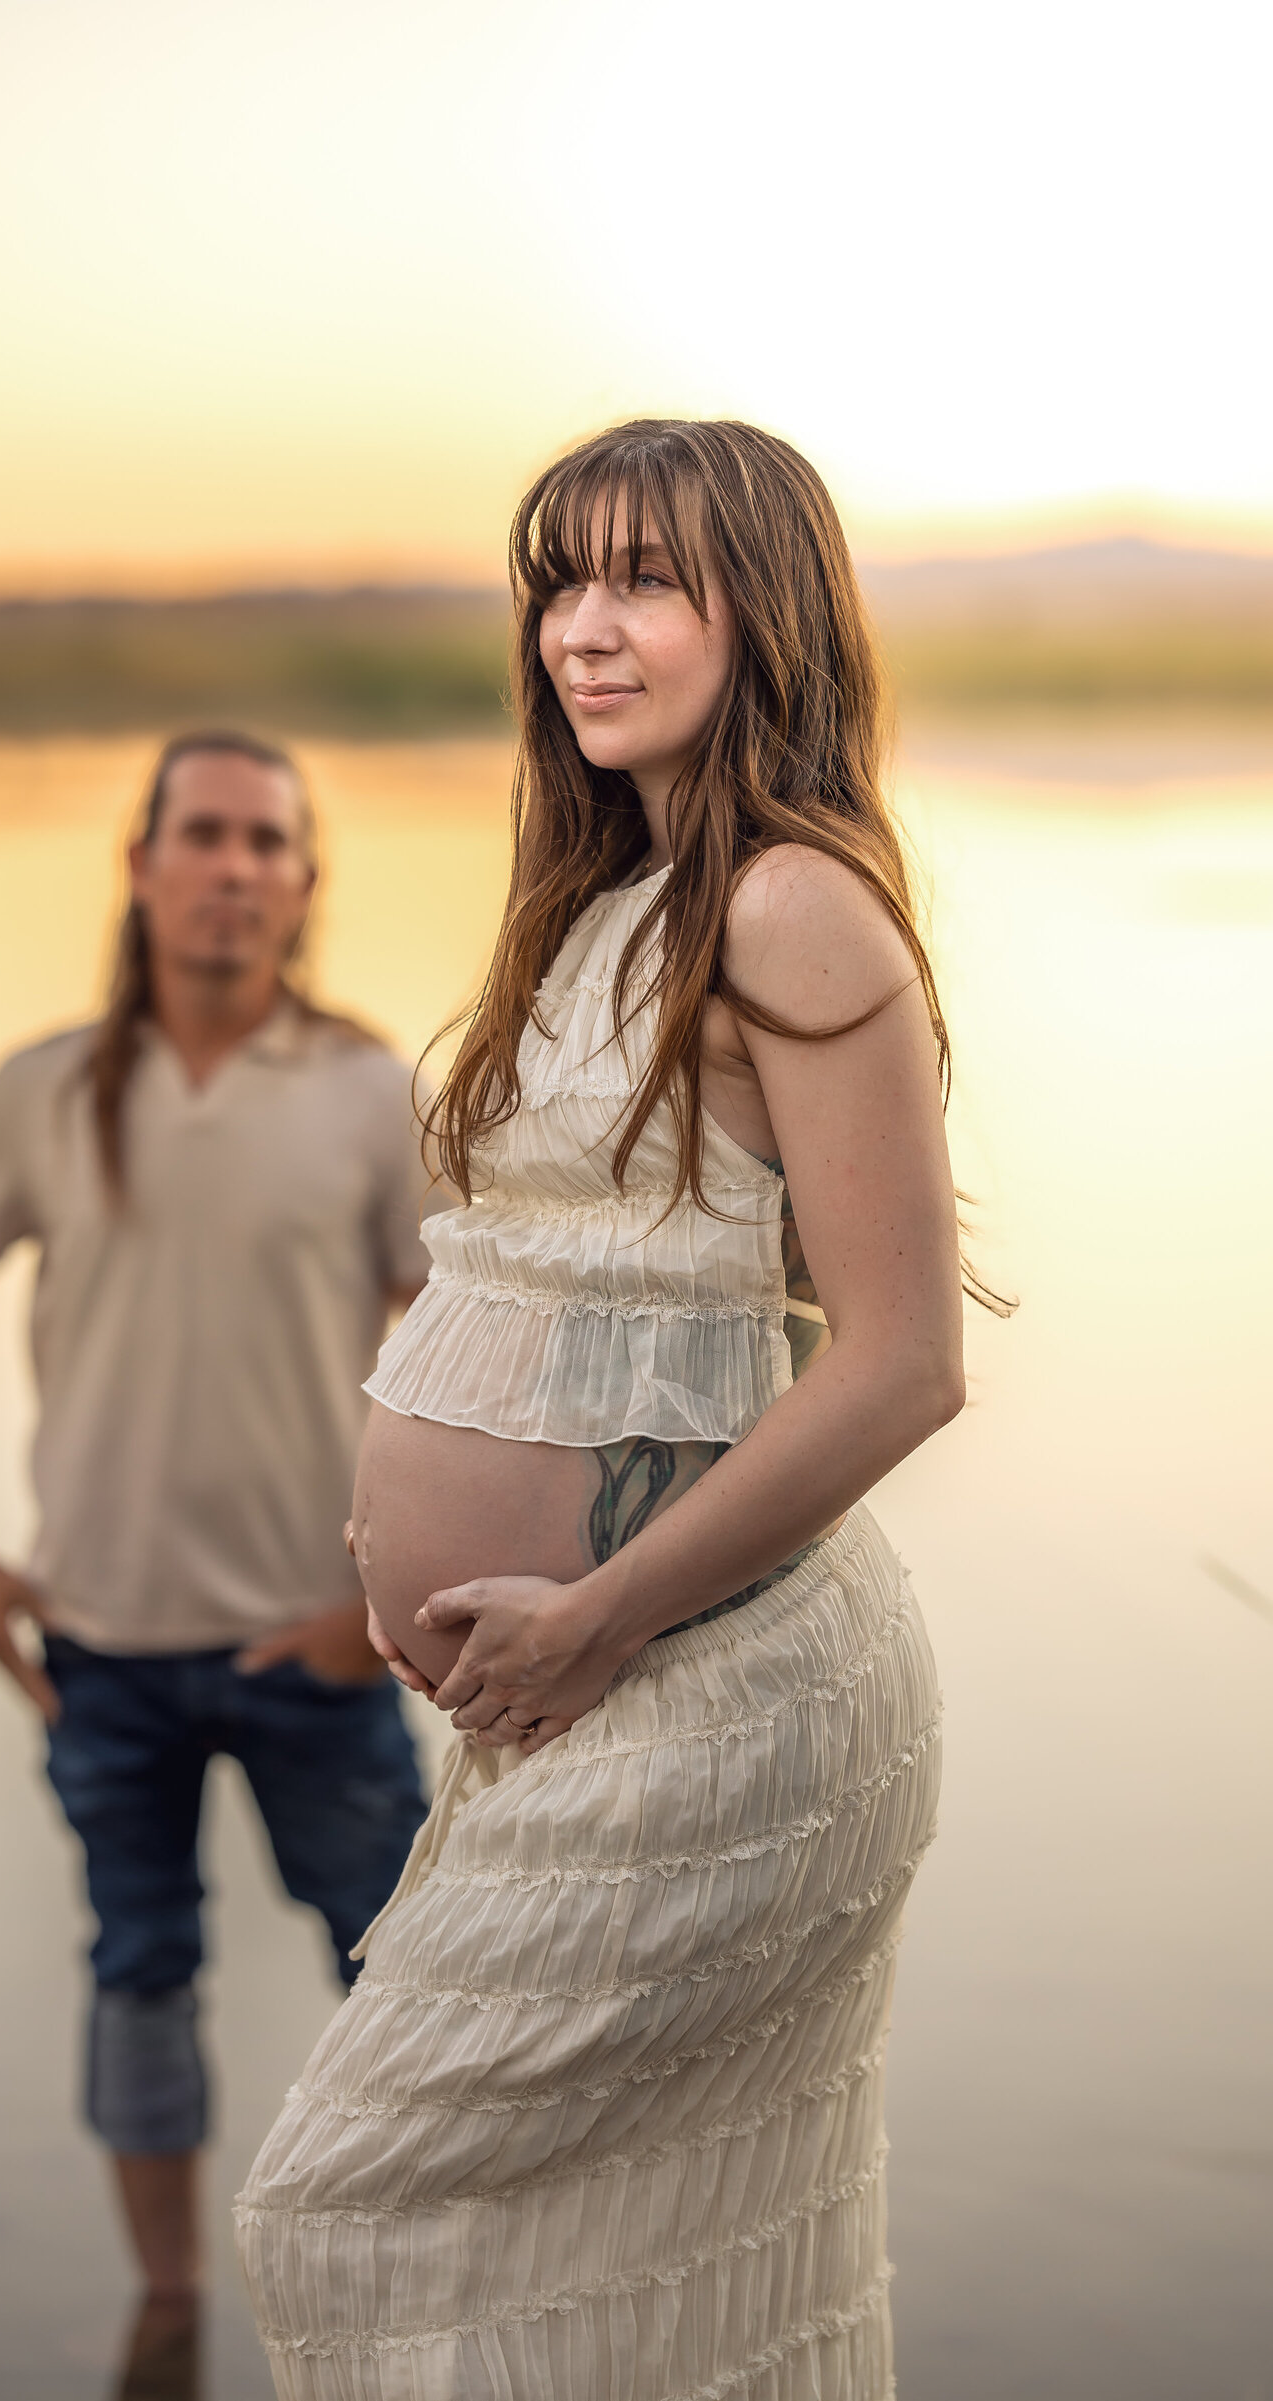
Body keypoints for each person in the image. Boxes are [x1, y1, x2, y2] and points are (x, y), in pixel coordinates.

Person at [237, 421, 995, 2398]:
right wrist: (415, 1480)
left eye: (645, 578)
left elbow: (903, 1358)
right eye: (558, 581)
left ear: (769, 614)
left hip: (710, 1681)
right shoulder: (603, 905)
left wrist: (589, 1606)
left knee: (349, 2205)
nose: (584, 626)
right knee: (591, 2288)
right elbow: (556, 1289)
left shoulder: (789, 911)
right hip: (587, 1686)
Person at [0, 730, 432, 2323]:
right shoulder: (45, 1090)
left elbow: (463, 1359)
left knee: (406, 1979)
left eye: (269, 842)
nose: (234, 869)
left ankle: (413, 2296)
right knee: (137, 1975)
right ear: (141, 864)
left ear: (305, 884)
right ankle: (170, 2312)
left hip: (313, 1643)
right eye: (204, 834)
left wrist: (384, 1600)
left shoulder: (361, 1089)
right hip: (102, 1649)